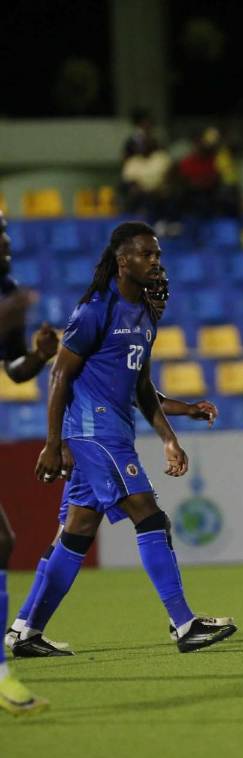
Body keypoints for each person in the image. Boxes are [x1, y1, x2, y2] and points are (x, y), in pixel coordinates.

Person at [16, 222, 236, 658]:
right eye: (148, 255)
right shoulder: (95, 310)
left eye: (158, 256)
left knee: (76, 533)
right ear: (124, 262)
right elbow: (60, 374)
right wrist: (53, 442)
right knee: (150, 518)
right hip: (94, 435)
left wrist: (179, 422)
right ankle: (184, 623)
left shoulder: (145, 317)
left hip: (113, 434)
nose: (157, 263)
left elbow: (139, 388)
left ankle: (25, 631)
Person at [0, 210, 53, 715]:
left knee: (2, 541)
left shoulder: (6, 285)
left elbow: (13, 370)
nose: (5, 240)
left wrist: (36, 357)